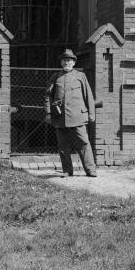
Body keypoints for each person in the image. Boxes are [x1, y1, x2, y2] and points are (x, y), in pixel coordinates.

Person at [47, 48, 97, 177]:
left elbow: (88, 96)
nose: (66, 63)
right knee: (63, 145)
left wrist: (91, 113)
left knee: (84, 143)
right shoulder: (55, 77)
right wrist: (48, 113)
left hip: (77, 115)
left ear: (74, 62)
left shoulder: (81, 76)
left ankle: (90, 169)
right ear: (61, 62)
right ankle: (67, 170)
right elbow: (48, 96)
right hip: (60, 116)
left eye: (69, 60)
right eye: (64, 60)